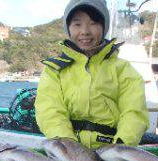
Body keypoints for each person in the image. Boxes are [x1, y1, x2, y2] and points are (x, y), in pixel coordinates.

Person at [35, 0, 149, 149]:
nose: (85, 31)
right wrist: (70, 148)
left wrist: (120, 147)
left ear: (103, 27)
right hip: (68, 151)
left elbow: (134, 112)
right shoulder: (54, 70)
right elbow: (50, 111)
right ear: (68, 28)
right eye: (77, 24)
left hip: (112, 151)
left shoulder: (123, 69)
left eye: (93, 23)